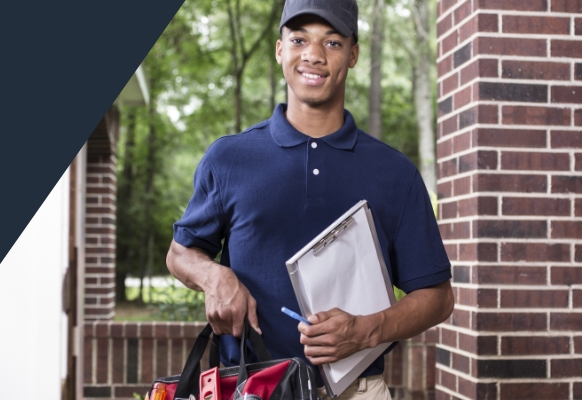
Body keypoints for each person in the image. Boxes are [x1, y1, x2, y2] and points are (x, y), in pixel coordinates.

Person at [166, 0, 454, 398]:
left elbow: (438, 298)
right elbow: (179, 254)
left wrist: (367, 329)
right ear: (280, 49)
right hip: (254, 388)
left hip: (359, 390)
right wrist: (215, 276)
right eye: (300, 39)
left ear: (353, 54)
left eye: (332, 42)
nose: (314, 55)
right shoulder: (229, 158)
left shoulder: (395, 173)